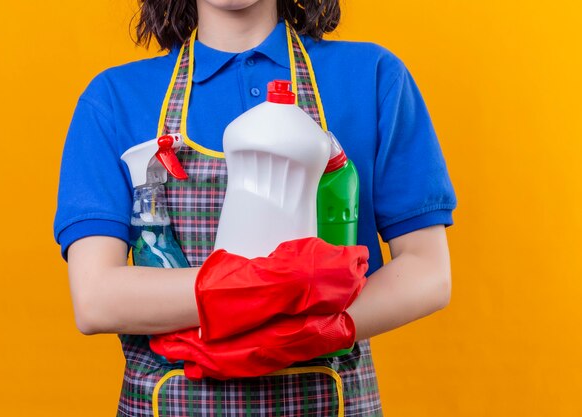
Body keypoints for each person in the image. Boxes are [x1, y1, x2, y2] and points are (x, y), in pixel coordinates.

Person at [54, 0, 457, 415]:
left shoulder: (370, 77)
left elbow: (428, 271)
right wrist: (269, 289)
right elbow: (95, 298)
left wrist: (322, 332)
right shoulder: (116, 98)